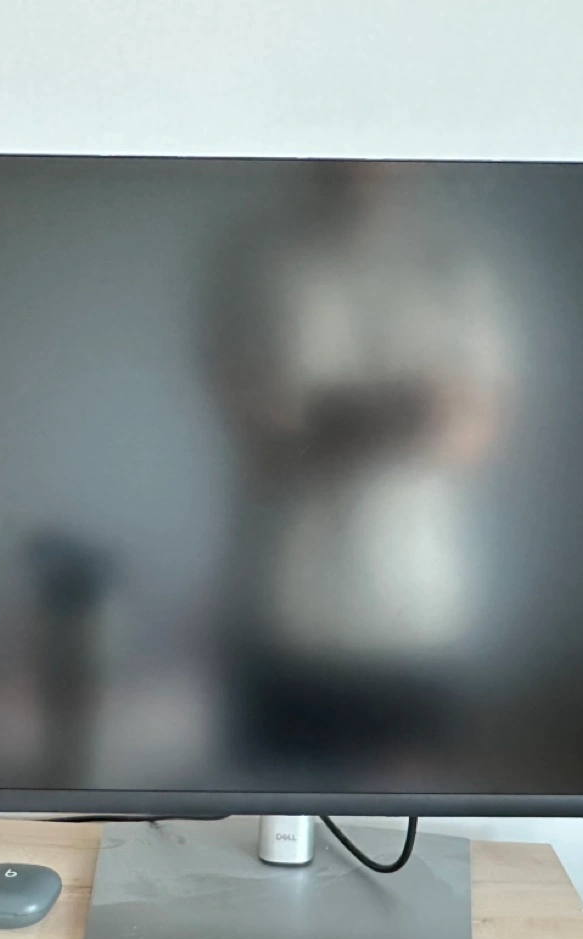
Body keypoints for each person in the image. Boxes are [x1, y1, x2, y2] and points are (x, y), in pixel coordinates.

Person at [207, 162, 513, 778]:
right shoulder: (264, 262)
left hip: (416, 615)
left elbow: (476, 433)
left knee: (405, 820)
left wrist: (329, 418)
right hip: (288, 613)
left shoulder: (457, 267)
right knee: (265, 811)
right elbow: (256, 429)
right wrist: (404, 413)